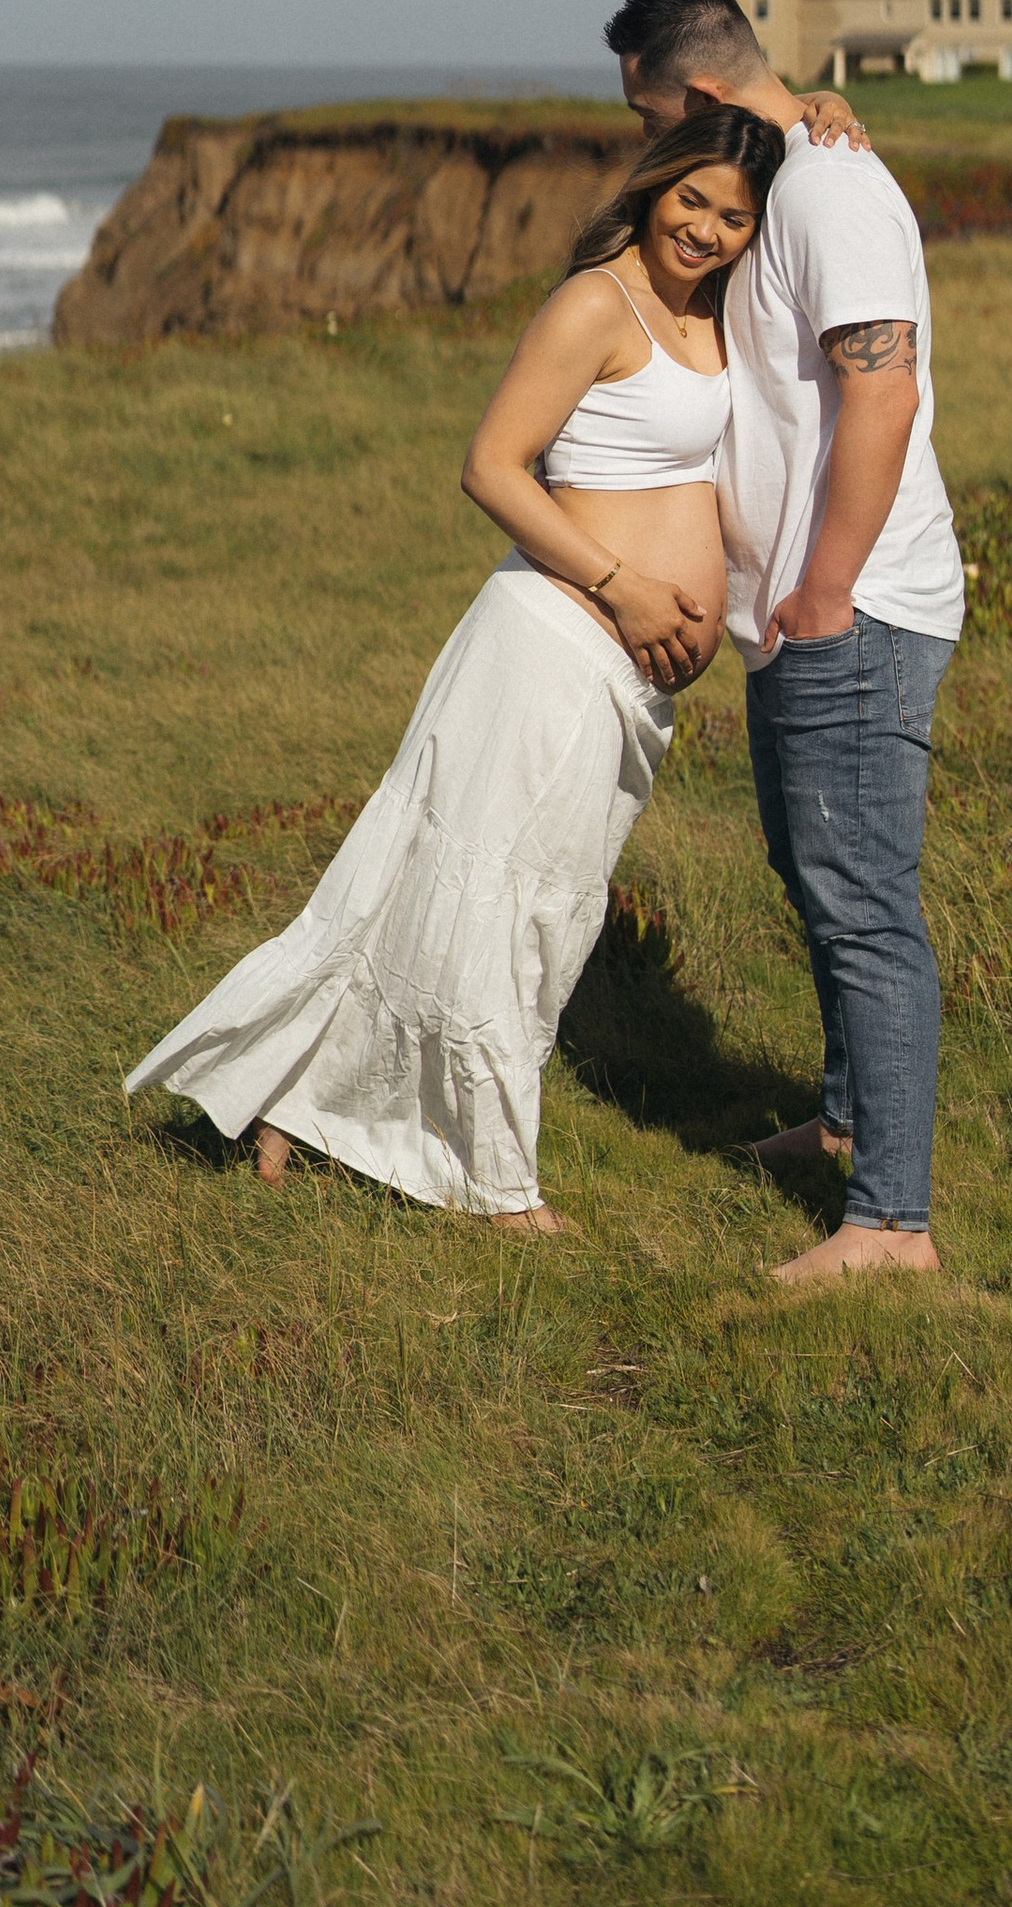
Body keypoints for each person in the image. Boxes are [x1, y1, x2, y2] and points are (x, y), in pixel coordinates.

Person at [121, 107, 788, 1233]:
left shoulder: (706, 311)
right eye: (693, 201)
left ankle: (288, 1102)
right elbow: (491, 464)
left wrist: (818, 115)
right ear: (654, 184)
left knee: (477, 903)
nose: (709, 231)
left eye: (735, 218)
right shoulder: (598, 300)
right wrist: (624, 586)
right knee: (499, 912)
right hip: (552, 642)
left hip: (615, 684)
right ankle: (494, 1188)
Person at [606, 0, 963, 1290]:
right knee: (819, 881)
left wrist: (824, 586)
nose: (650, 149)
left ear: (698, 94)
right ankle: (847, 1122)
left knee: (865, 908)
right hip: (802, 614)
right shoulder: (788, 167)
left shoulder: (828, 187)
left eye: (653, 121)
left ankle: (891, 1225)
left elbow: (885, 390)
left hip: (851, 609)